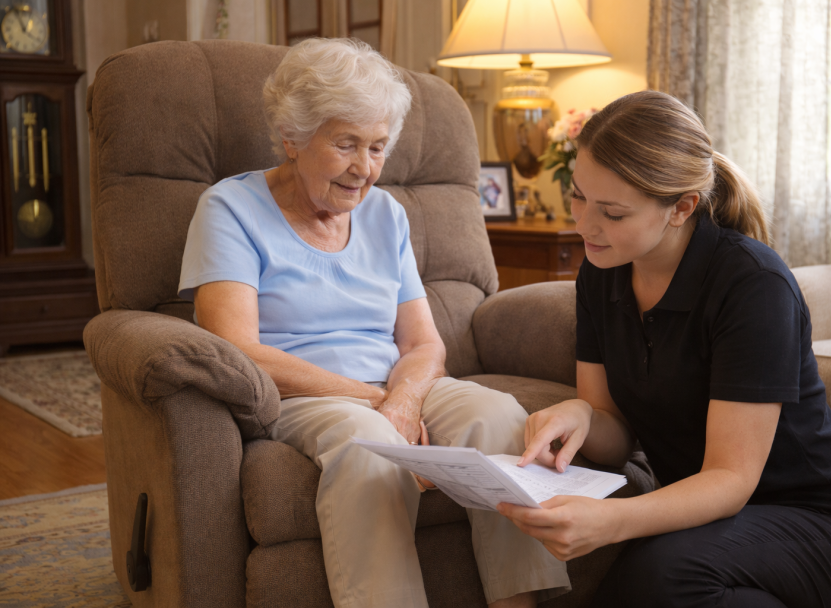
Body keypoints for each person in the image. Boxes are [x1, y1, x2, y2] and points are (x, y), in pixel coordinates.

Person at [178, 38, 569, 608]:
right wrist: (375, 403)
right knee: (371, 448)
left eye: (378, 147)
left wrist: (404, 400)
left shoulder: (386, 214)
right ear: (293, 137)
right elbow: (238, 350)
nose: (365, 169)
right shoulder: (230, 209)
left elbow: (423, 343)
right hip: (301, 393)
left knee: (498, 416)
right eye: (346, 145)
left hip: (394, 385)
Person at [497, 90, 831, 608]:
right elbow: (617, 441)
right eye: (578, 196)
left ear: (682, 207)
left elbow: (731, 478)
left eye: (613, 213)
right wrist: (582, 414)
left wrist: (613, 521)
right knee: (649, 584)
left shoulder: (753, 283)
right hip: (718, 523)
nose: (584, 224)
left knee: (658, 577)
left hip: (826, 525)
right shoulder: (601, 274)